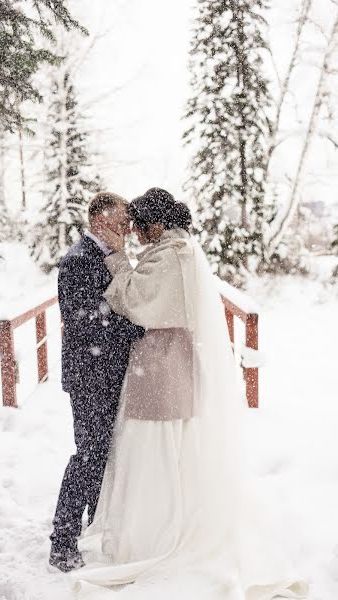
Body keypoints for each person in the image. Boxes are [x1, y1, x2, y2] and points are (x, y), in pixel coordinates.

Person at [70, 188, 307, 600]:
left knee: (152, 451)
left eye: (138, 228)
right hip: (166, 365)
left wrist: (115, 258)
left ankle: (153, 537)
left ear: (156, 224)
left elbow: (130, 299)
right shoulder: (179, 251)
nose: (134, 236)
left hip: (161, 367)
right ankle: (156, 528)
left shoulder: (170, 256)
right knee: (162, 453)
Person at [49, 192, 144, 572]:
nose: (127, 230)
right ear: (99, 221)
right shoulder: (78, 260)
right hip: (89, 376)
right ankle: (62, 539)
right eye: (121, 223)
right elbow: (85, 322)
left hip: (107, 374)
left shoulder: (108, 258)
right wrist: (136, 327)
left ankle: (92, 524)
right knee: (88, 457)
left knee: (102, 455)